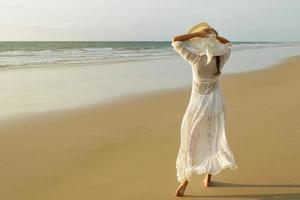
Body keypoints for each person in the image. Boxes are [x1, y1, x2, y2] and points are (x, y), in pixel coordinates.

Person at [171, 22, 238, 197]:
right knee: (212, 137)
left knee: (191, 141)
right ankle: (208, 177)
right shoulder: (221, 57)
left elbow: (176, 41)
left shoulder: (195, 58)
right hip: (216, 103)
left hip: (198, 105)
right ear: (215, 44)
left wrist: (197, 34)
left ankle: (185, 180)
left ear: (199, 43)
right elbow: (229, 43)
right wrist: (215, 36)